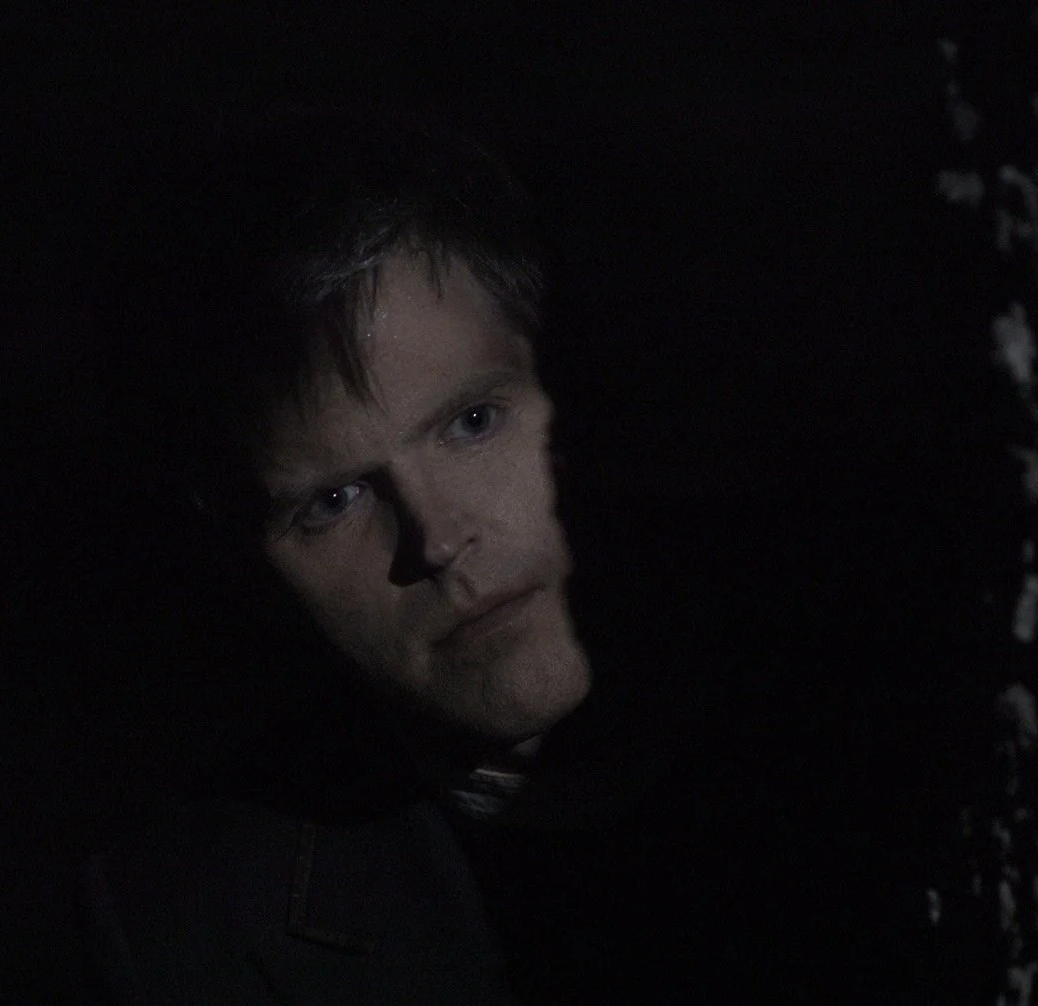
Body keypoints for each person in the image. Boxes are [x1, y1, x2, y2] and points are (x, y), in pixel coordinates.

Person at [78, 108, 650, 1003]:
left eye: (472, 423)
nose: (436, 537)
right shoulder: (192, 930)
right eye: (334, 502)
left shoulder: (894, 715)